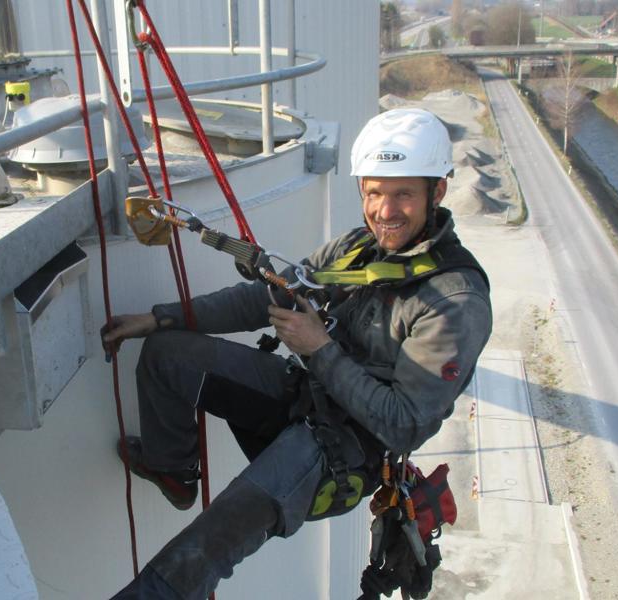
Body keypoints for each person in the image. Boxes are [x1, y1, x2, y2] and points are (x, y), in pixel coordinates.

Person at [104, 108, 492, 599]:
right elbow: (269, 297)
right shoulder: (359, 248)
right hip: (307, 394)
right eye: (374, 192)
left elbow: (404, 426)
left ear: (437, 193)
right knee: (167, 353)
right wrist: (161, 317)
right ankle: (173, 470)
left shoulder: (455, 302)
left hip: (347, 452)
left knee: (217, 532)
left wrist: (321, 349)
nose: (385, 211)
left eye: (403, 194)